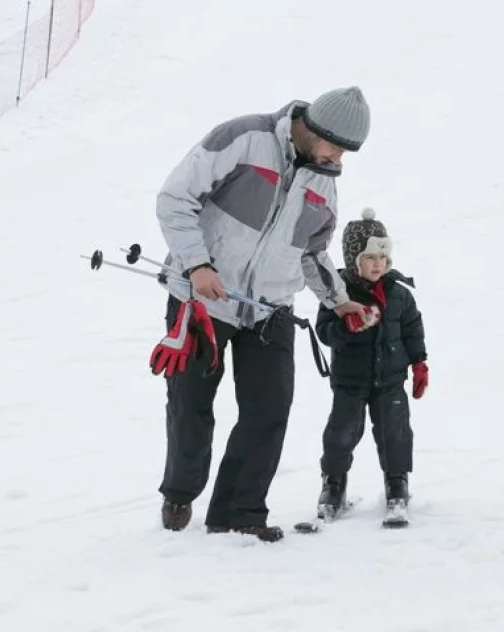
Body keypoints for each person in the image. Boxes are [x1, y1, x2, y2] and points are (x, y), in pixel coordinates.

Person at [151, 87, 373, 542]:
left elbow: (312, 252)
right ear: (313, 129)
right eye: (335, 146)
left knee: (269, 408)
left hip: (269, 308)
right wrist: (197, 264)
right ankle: (180, 492)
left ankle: (239, 512)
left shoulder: (323, 180)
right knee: (191, 404)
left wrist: (338, 300)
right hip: (203, 296)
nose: (339, 157)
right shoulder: (244, 138)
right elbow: (175, 198)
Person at [313, 208, 428, 519]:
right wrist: (345, 327)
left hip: (390, 379)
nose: (379, 264)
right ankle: (334, 484)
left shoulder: (400, 295)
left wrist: (419, 363)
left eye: (383, 258)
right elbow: (324, 332)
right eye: (371, 258)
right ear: (354, 260)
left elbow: (412, 329)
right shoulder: (336, 293)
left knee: (396, 433)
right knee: (341, 433)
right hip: (350, 380)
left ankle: (397, 483)